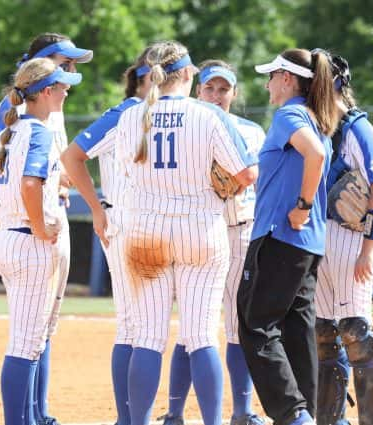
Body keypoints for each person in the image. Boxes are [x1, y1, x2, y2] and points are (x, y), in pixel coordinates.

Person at [113, 41, 258, 425]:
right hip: (200, 226)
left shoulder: (131, 116)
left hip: (146, 230)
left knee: (147, 337)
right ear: (190, 73)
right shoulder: (207, 115)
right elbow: (247, 174)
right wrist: (217, 182)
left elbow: (127, 171)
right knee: (201, 336)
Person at [0, 32, 93, 425]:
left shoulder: (31, 118)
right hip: (31, 233)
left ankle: (38, 415)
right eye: (66, 65)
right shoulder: (22, 118)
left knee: (40, 330)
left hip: (23, 229)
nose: (72, 72)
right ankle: (24, 418)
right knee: (27, 340)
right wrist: (34, 219)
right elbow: (22, 183)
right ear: (45, 72)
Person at [157, 60, 266, 425]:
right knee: (193, 328)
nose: (216, 96)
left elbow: (258, 183)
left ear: (235, 93)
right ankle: (174, 412)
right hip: (200, 234)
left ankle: (242, 411)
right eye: (209, 88)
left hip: (241, 233)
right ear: (197, 89)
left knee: (237, 326)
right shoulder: (190, 124)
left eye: (224, 89)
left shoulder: (252, 132)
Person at [237, 48, 339, 425]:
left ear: (287, 78)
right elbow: (316, 155)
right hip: (307, 245)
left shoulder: (290, 114)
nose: (266, 85)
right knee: (296, 330)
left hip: (281, 236)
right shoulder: (317, 118)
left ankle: (293, 414)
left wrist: (302, 204)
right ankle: (306, 414)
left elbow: (313, 157)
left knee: (254, 323)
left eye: (271, 76)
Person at [60, 44, 157, 425]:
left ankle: (131, 417)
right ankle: (129, 418)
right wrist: (97, 209)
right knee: (136, 326)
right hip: (126, 221)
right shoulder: (127, 113)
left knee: (137, 325)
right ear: (147, 76)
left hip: (150, 224)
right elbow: (72, 156)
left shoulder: (161, 114)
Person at [313, 52, 373, 425]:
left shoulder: (358, 128)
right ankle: (331, 420)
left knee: (356, 333)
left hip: (352, 241)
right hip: (319, 241)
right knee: (323, 335)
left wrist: (370, 248)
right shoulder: (314, 126)